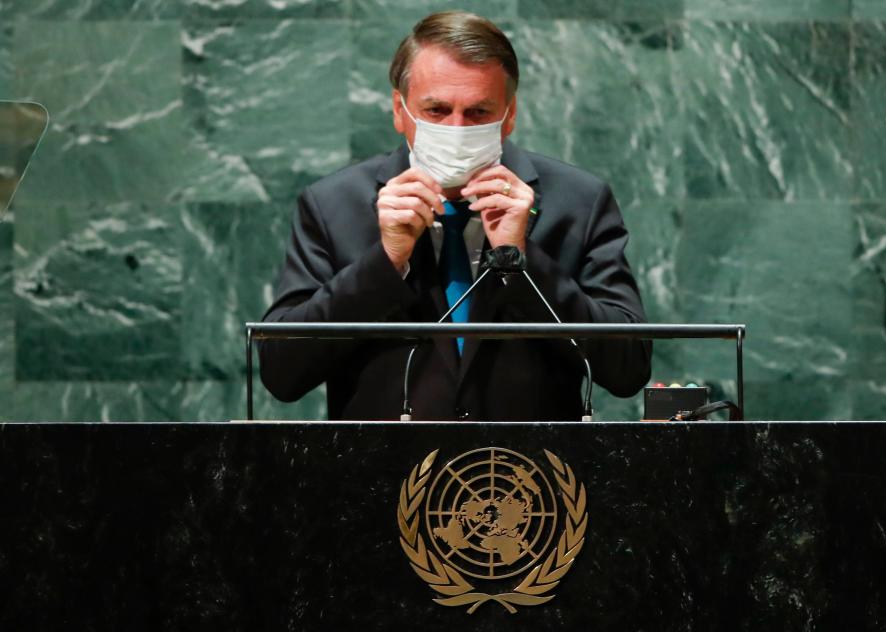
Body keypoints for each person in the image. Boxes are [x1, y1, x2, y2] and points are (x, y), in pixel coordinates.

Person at [258, 11, 652, 421]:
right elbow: (282, 373)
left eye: (479, 112)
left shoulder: (578, 202)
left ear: (509, 114)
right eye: (437, 110)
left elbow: (628, 370)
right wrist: (386, 261)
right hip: (381, 476)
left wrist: (522, 259)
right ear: (399, 109)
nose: (457, 128)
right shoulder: (331, 205)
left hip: (531, 476)